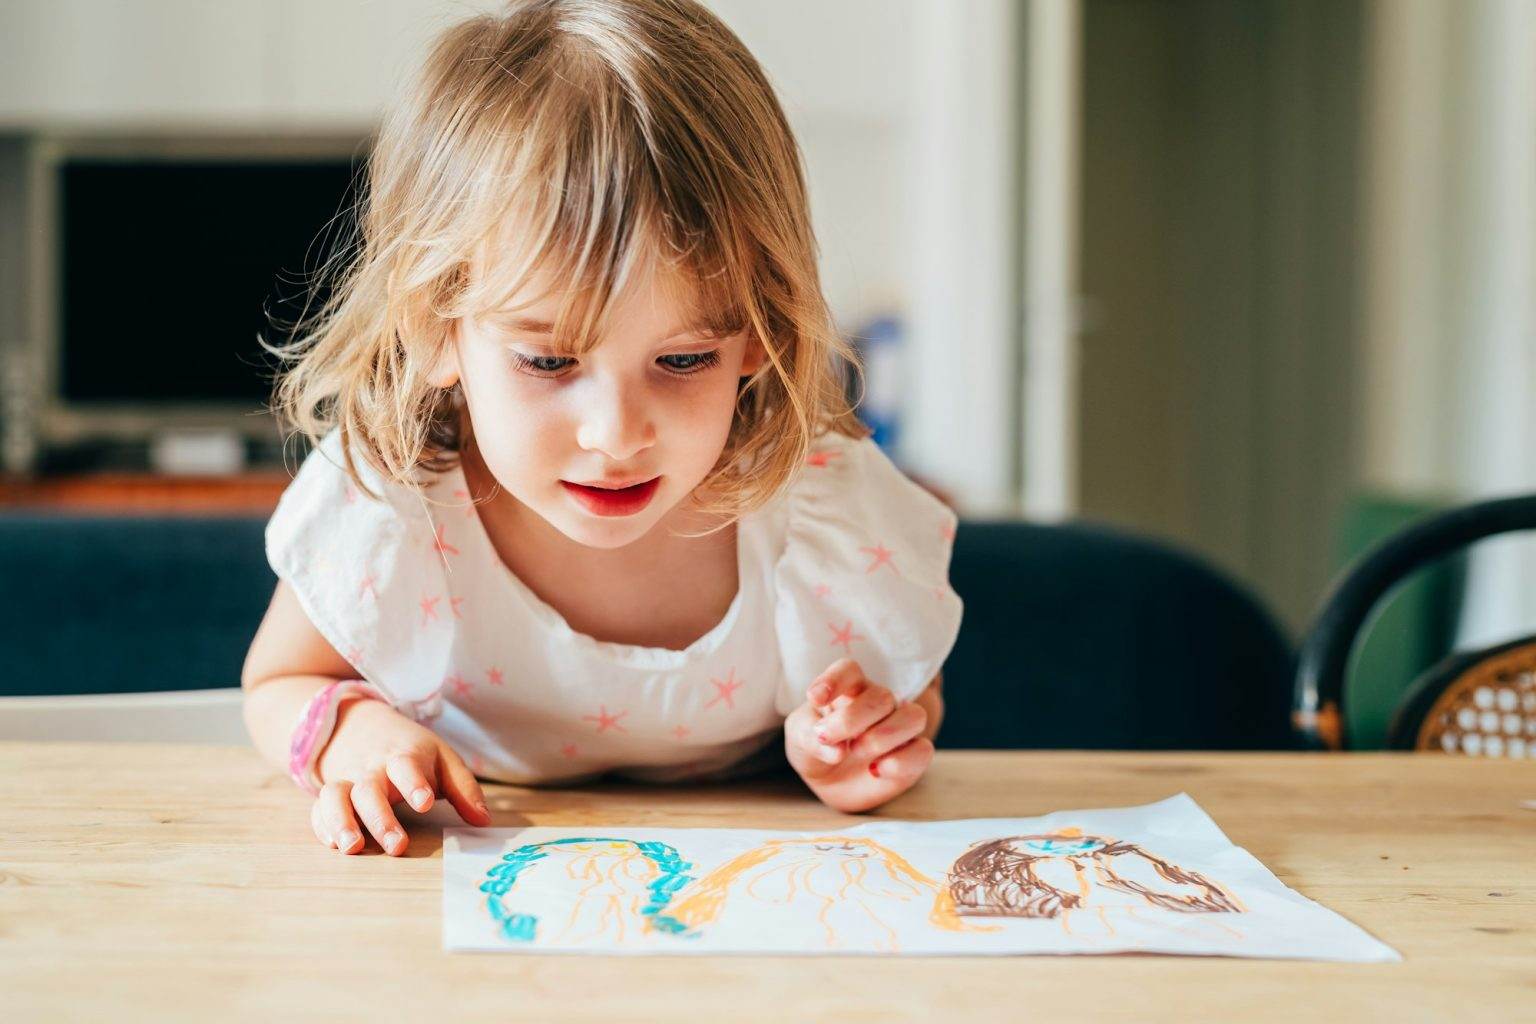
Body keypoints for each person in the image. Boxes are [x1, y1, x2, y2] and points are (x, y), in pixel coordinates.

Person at [241, 0, 963, 857]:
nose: (617, 436)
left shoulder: (816, 503)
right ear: (437, 329)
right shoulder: (398, 502)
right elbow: (280, 681)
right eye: (548, 364)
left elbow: (915, 686)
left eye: (685, 359)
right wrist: (353, 734)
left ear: (761, 333)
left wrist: (862, 739)